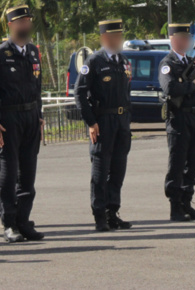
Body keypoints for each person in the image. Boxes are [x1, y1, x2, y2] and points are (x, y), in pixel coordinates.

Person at [0, 5, 44, 243]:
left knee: (28, 174)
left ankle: (23, 221)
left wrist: (39, 115)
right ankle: (8, 223)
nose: (26, 25)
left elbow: (37, 87)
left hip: (30, 118)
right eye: (21, 22)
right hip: (8, 120)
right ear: (11, 26)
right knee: (8, 174)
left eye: (28, 21)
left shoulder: (33, 52)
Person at [74, 19, 133, 232]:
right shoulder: (94, 62)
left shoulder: (123, 61)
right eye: (115, 36)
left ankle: (112, 212)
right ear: (105, 38)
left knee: (118, 170)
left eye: (120, 36)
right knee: (100, 171)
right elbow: (79, 93)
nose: (119, 39)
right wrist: (91, 122)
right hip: (103, 122)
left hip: (121, 122)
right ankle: (99, 216)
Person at [159, 23, 195, 222]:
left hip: (194, 117)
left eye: (187, 38)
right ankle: (175, 206)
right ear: (173, 40)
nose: (186, 41)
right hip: (178, 118)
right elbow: (170, 88)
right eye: (182, 38)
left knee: (193, 163)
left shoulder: (190, 62)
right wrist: (192, 86)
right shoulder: (168, 63)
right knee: (177, 164)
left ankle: (187, 202)